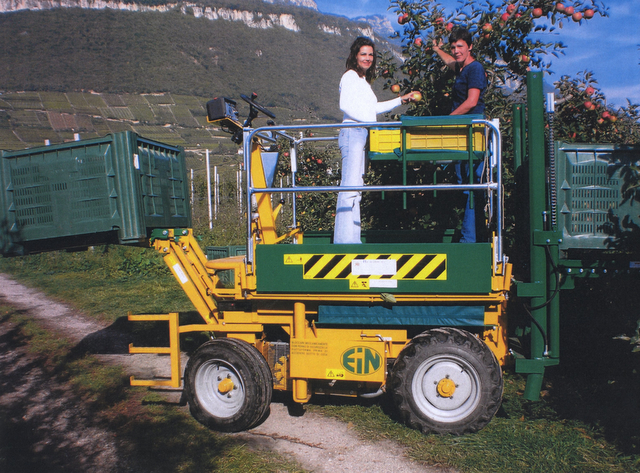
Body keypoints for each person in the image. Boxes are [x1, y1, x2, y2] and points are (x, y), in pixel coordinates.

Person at [334, 36, 420, 244]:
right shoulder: (350, 77)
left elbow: (373, 109)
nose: (368, 58)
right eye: (363, 54)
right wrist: (370, 122)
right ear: (355, 56)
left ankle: (352, 239)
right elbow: (345, 105)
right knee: (349, 188)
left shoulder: (363, 81)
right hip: (353, 131)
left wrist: (401, 99)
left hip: (362, 132)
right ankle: (343, 242)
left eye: (371, 54)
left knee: (356, 188)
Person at [433, 27, 487, 242]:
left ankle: (469, 241)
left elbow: (472, 101)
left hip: (471, 132)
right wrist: (437, 49)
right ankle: (475, 237)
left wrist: (447, 120)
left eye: (460, 47)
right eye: (453, 47)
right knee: (466, 185)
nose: (455, 51)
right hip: (462, 133)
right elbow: (450, 62)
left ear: (470, 46)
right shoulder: (463, 68)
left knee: (471, 188)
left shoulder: (474, 69)